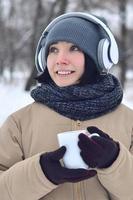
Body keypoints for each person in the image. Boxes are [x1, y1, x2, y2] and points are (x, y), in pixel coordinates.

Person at [0, 11, 133, 200]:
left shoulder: (129, 122)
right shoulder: (19, 124)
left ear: (99, 56)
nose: (60, 59)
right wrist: (41, 173)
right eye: (53, 49)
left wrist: (114, 162)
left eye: (75, 48)